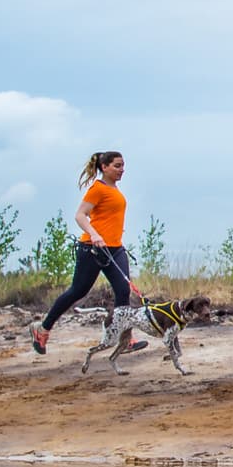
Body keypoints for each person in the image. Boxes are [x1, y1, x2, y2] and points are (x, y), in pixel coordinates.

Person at [30, 151, 144, 355]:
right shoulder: (97, 189)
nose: (122, 170)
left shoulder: (115, 190)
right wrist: (94, 234)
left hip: (115, 249)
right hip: (92, 248)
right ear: (104, 167)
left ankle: (124, 339)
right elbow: (80, 215)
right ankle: (43, 329)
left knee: (123, 291)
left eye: (123, 166)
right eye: (117, 166)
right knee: (78, 291)